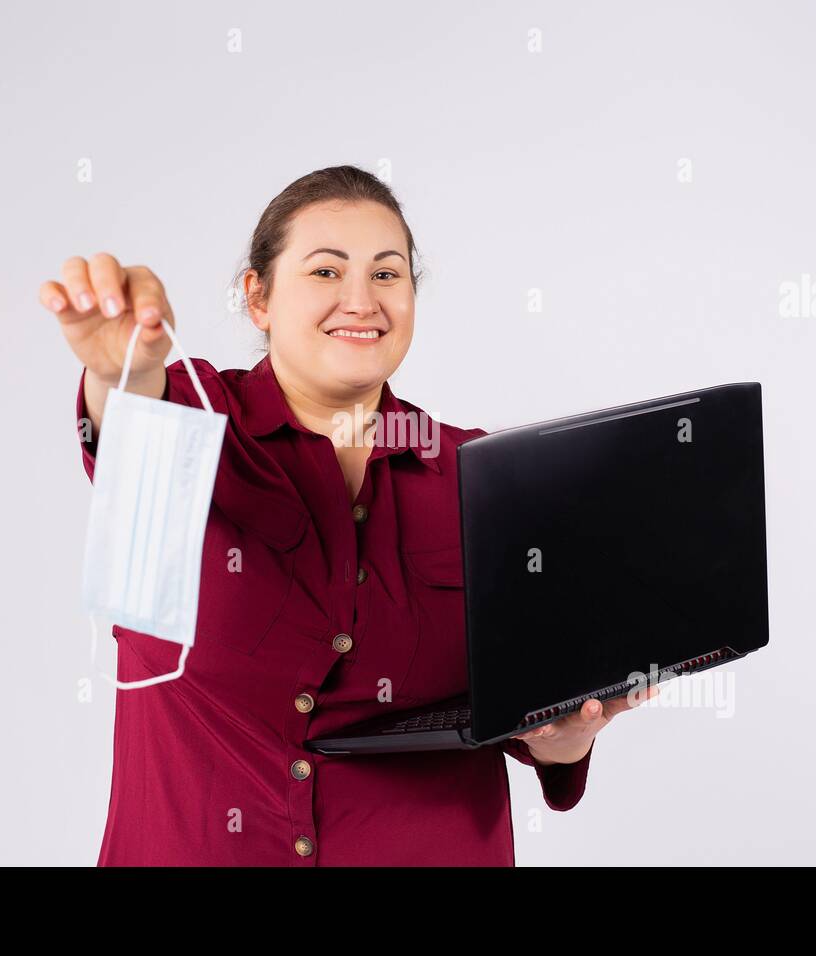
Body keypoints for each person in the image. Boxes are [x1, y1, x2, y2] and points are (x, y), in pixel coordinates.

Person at [39, 165, 656, 866]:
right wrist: (124, 367)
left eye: (387, 275)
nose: (361, 301)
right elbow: (131, 426)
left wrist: (566, 739)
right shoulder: (193, 420)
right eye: (326, 273)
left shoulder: (480, 474)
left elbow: (531, 708)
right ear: (258, 297)